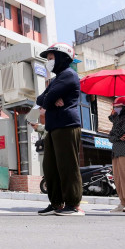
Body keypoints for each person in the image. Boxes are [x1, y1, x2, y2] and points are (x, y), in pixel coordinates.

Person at [35, 43, 84, 216]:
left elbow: (47, 100)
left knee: (67, 166)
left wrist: (50, 98)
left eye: (51, 58)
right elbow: (40, 99)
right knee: (50, 167)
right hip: (53, 126)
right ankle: (56, 203)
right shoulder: (56, 79)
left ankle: (73, 204)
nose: (48, 62)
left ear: (62, 58)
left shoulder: (69, 74)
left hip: (66, 125)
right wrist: (50, 98)